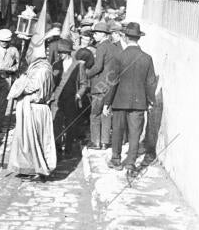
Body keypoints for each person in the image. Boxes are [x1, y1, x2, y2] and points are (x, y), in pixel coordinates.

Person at [103, 22, 156, 177]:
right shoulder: (147, 58)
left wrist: (107, 102)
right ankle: (131, 163)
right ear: (138, 38)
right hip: (139, 102)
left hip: (119, 101)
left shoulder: (118, 57)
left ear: (125, 37)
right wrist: (150, 101)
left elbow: (112, 82)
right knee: (135, 133)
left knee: (118, 130)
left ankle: (116, 159)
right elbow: (150, 82)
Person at [6, 32, 57, 179]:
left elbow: (29, 87)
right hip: (32, 108)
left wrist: (19, 81)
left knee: (35, 140)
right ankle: (28, 167)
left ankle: (38, 168)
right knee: (27, 140)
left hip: (35, 108)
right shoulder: (38, 67)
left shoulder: (42, 69)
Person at [50, 40, 88, 158]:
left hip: (71, 100)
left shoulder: (78, 65)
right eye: (60, 52)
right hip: (57, 100)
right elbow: (52, 84)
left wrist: (78, 95)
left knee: (70, 125)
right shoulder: (56, 65)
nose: (61, 54)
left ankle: (68, 149)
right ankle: (56, 150)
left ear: (69, 52)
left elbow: (84, 84)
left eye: (63, 52)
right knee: (56, 124)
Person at [86, 21, 117, 150]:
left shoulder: (101, 47)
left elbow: (98, 67)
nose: (94, 36)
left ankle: (96, 142)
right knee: (106, 113)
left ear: (103, 35)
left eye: (96, 34)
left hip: (99, 86)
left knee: (95, 114)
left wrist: (87, 74)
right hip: (110, 84)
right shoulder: (114, 47)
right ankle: (105, 142)